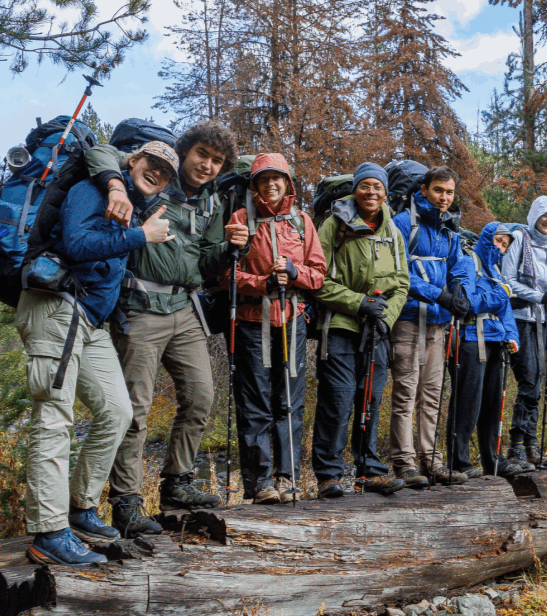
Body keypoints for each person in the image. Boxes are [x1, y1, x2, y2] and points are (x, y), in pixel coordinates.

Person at [16, 141, 178, 565]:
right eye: (152, 164)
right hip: (57, 309)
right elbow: (75, 244)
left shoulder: (134, 207)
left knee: (117, 412)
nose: (157, 173)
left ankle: (81, 508)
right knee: (54, 418)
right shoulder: (93, 189)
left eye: (166, 172)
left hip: (89, 321)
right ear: (132, 161)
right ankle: (49, 533)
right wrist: (141, 236)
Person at [85, 122, 249, 538]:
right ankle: (126, 501)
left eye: (216, 161)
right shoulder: (154, 179)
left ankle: (177, 484)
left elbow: (207, 262)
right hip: (138, 309)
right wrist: (118, 190)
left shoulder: (211, 203)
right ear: (185, 151)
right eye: (202, 155)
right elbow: (101, 153)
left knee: (200, 396)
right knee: (135, 410)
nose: (208, 166)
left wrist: (232, 248)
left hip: (184, 308)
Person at [221, 154, 326, 504]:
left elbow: (318, 273)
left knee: (290, 402)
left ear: (287, 182)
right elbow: (225, 276)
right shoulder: (240, 219)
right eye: (263, 179)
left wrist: (295, 273)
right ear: (254, 184)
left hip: (292, 320)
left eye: (277, 178)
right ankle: (260, 482)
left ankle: (288, 477)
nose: (271, 184)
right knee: (256, 404)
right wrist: (263, 283)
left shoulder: (301, 222)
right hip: (252, 322)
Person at [312, 162, 410, 498]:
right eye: (365, 186)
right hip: (338, 325)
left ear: (385, 192)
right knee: (337, 401)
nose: (371, 193)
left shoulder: (392, 231)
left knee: (370, 399)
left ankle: (369, 472)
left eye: (377, 187)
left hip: (377, 329)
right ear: (356, 189)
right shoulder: (333, 225)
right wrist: (357, 303)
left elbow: (402, 282)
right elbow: (317, 279)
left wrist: (385, 317)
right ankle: (329, 474)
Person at [389, 166, 471, 487]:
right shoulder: (403, 223)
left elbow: (459, 266)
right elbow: (397, 272)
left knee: (432, 393)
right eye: (439, 190)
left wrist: (461, 289)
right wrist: (441, 295)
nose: (444, 198)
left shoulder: (449, 229)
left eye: (449, 192)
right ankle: (404, 462)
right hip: (409, 319)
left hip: (437, 324)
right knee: (406, 392)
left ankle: (431, 460)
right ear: (423, 190)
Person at [445, 222, 523, 478]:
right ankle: (459, 461)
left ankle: (493, 460)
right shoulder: (469, 263)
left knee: (492, 404)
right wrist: (501, 295)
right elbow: (465, 303)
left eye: (506, 245)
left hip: (496, 342)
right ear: (489, 237)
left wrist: (512, 336)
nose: (501, 248)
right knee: (468, 402)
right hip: (470, 339)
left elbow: (506, 311)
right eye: (499, 241)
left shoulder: (496, 272)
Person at [501, 197, 547, 470]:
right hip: (519, 318)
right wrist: (539, 296)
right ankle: (519, 445)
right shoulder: (519, 238)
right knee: (529, 381)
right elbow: (508, 282)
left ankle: (529, 445)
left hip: (542, 321)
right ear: (534, 215)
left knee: (536, 382)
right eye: (545, 215)